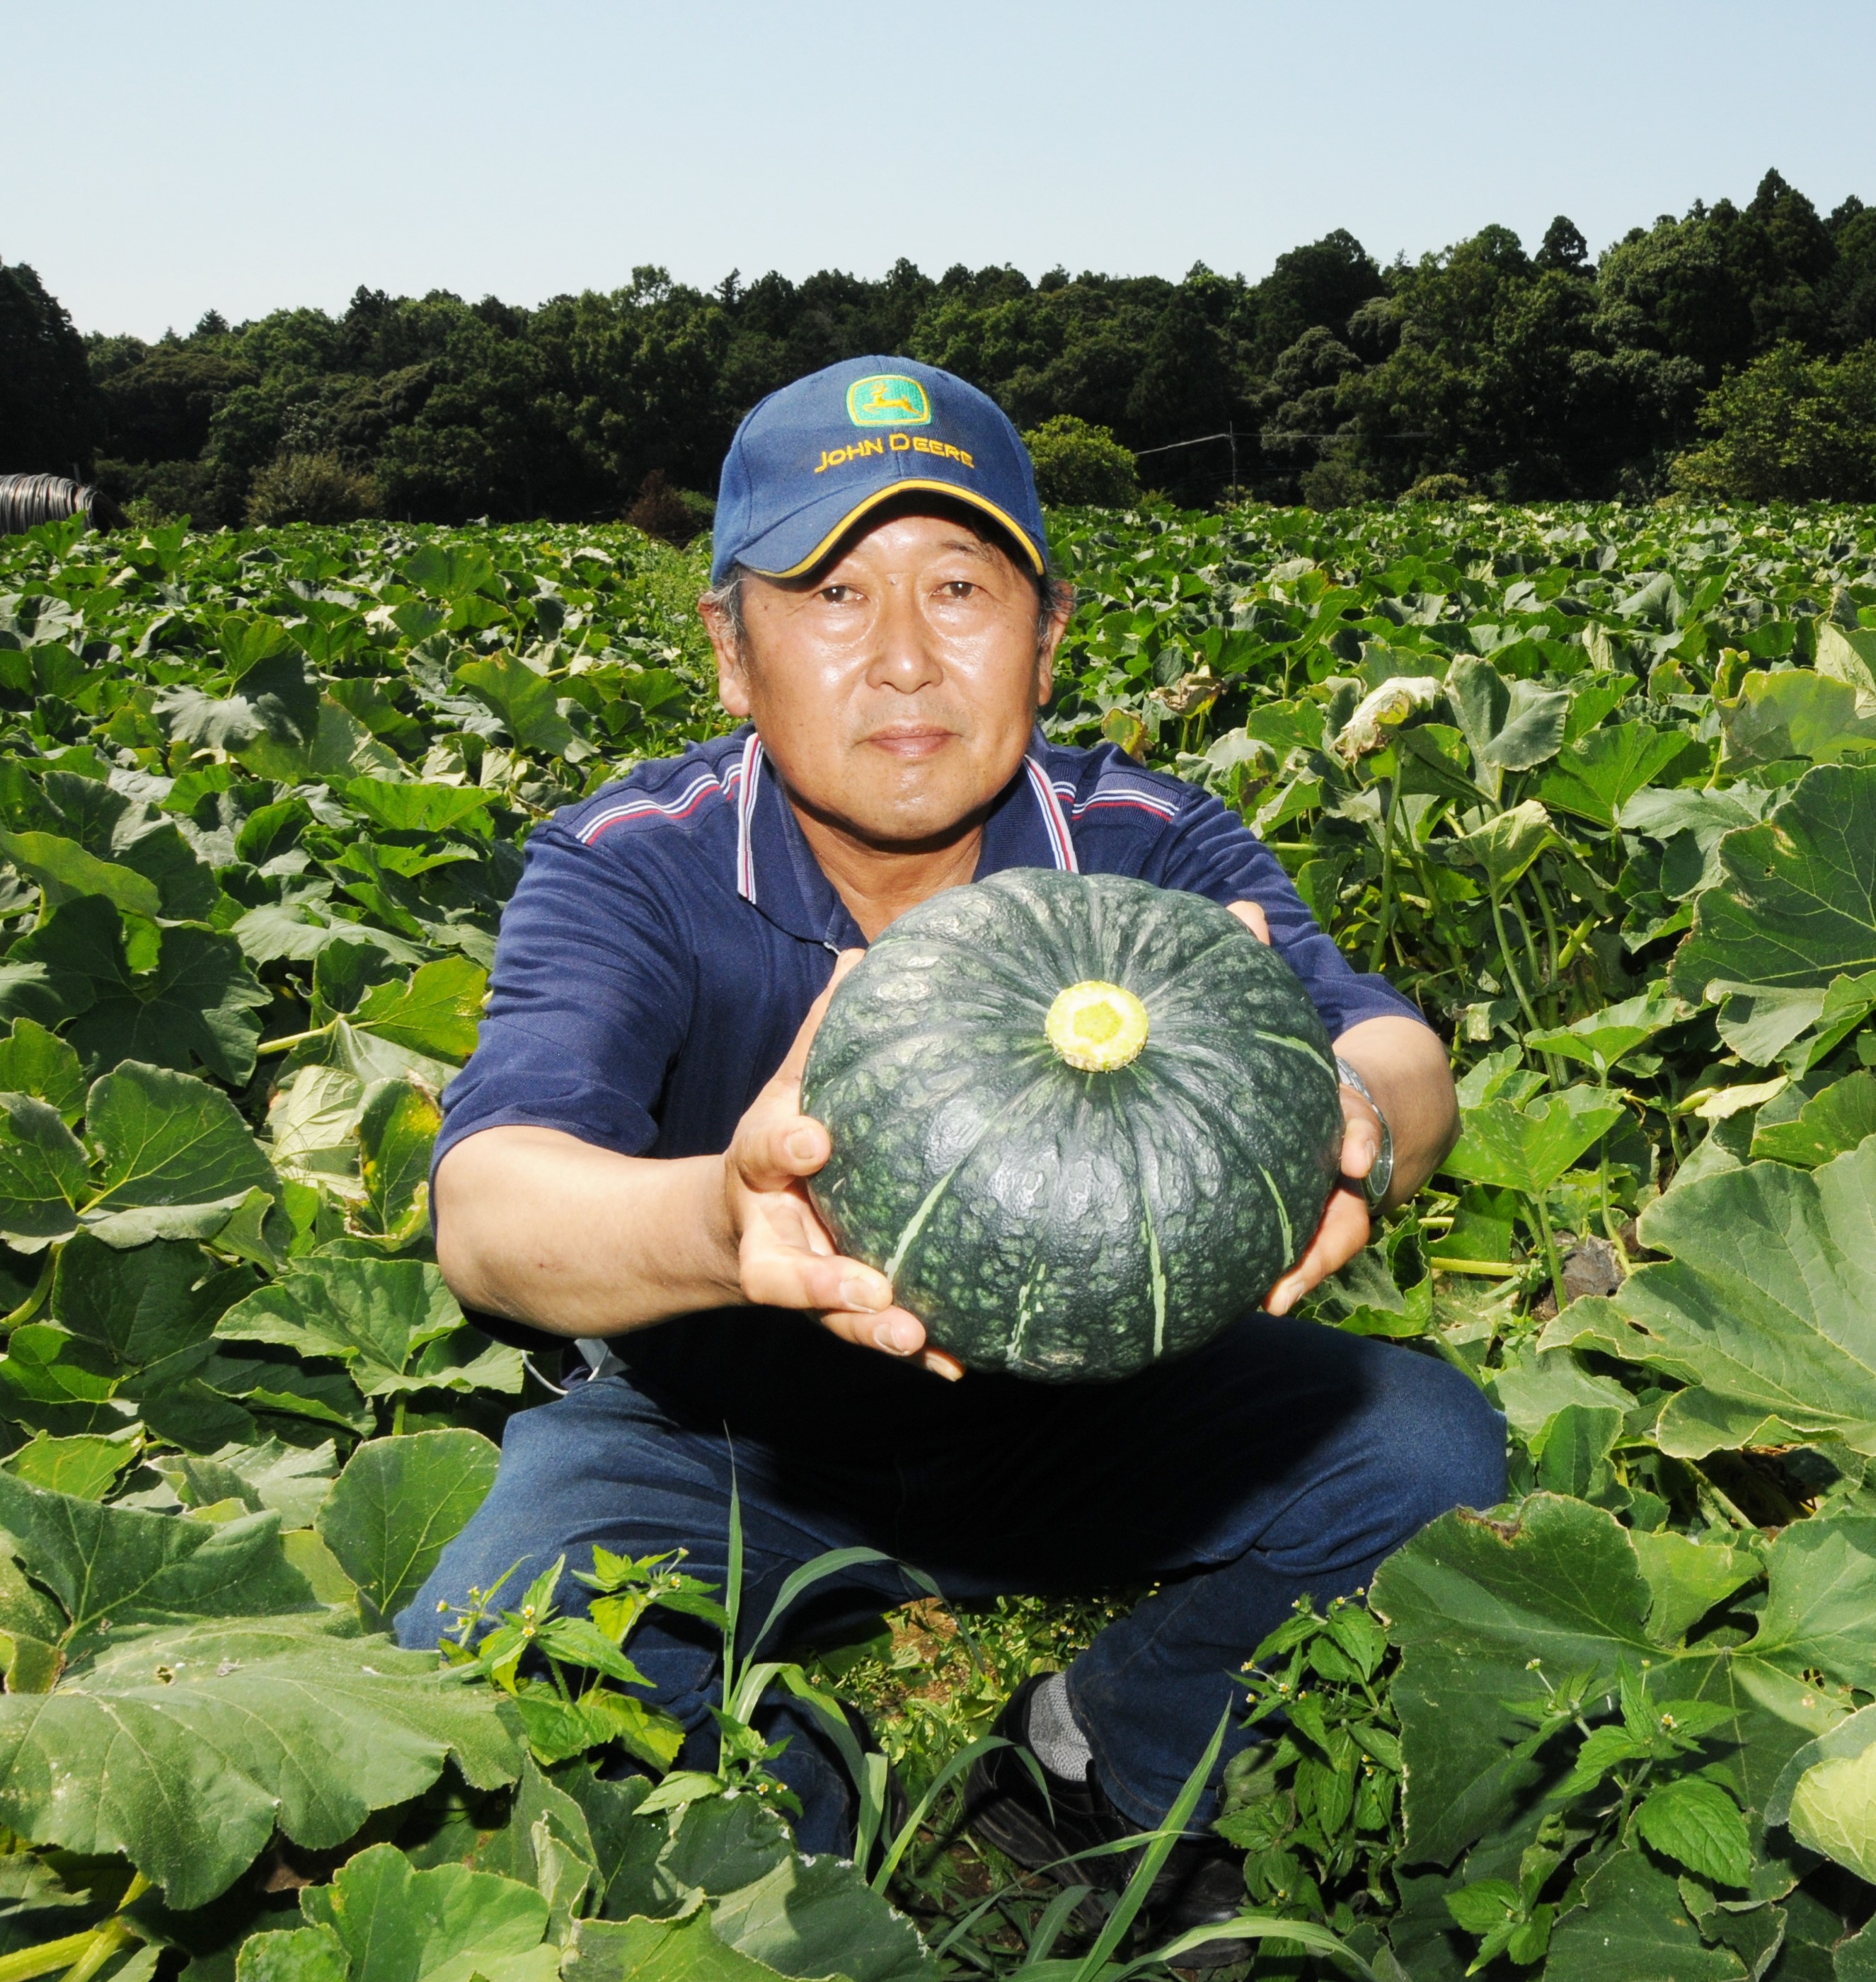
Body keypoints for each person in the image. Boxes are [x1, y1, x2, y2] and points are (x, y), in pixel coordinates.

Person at [401, 356, 1504, 1949]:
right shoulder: (629, 866)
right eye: (834, 593)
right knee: (490, 1667)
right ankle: (799, 1806)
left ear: (1046, 638)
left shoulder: (1149, 849)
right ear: (731, 648)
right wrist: (725, 1221)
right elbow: (495, 1208)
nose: (905, 660)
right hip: (717, 1442)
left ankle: (1103, 1745)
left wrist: (1360, 1123)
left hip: (1082, 1418)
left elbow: (1397, 1049)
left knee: (1427, 1457)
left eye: (961, 588)